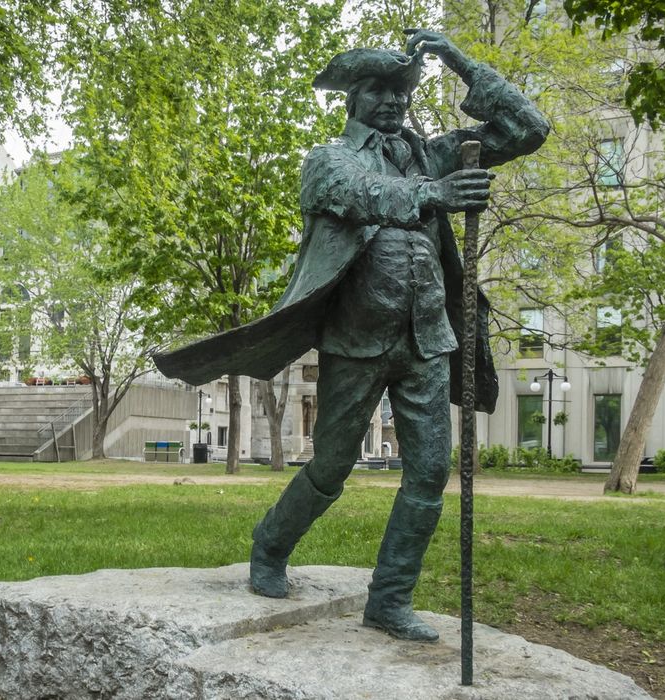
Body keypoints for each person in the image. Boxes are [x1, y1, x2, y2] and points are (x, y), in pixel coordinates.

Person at [154, 29, 548, 642]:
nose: (392, 100)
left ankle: (389, 600)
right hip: (357, 339)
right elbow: (364, 196)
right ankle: (271, 544)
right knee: (333, 466)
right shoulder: (329, 159)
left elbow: (527, 129)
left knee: (427, 473)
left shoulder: (430, 153)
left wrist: (460, 62)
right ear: (353, 98)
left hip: (428, 340)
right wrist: (433, 193)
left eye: (402, 89)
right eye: (378, 89)